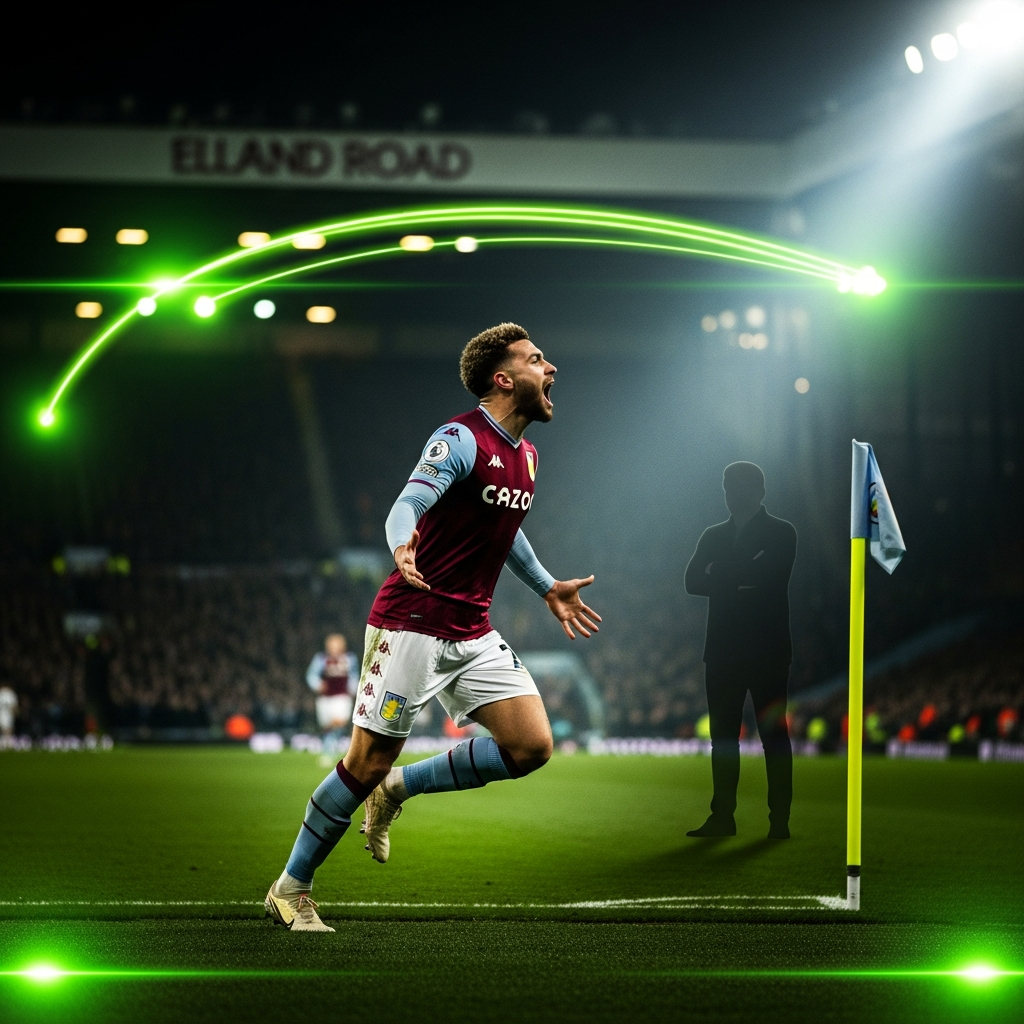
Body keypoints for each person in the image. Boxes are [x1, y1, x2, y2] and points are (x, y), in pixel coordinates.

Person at [265, 323, 601, 931]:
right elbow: (408, 504)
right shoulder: (461, 438)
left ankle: (398, 789)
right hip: (411, 622)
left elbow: (508, 528)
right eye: (536, 360)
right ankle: (291, 887)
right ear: (503, 379)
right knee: (361, 762)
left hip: (472, 628)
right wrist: (401, 547)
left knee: (531, 747)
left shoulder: (525, 455)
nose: (550, 370)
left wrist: (547, 585)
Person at [683, 461, 797, 840]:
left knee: (774, 736)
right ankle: (723, 818)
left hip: (767, 649)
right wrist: (746, 570)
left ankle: (778, 821)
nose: (731, 495)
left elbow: (772, 577)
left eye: (739, 488)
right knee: (724, 738)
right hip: (723, 650)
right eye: (727, 487)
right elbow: (691, 581)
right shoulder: (715, 534)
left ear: (759, 492)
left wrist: (721, 574)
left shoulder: (783, 532)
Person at [305, 634, 358, 741]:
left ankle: (331, 744)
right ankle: (329, 747)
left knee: (340, 721)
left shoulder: (350, 659)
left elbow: (354, 675)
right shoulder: (321, 659)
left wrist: (353, 689)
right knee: (326, 725)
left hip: (342, 696)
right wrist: (318, 684)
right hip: (325, 697)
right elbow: (311, 675)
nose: (334, 648)